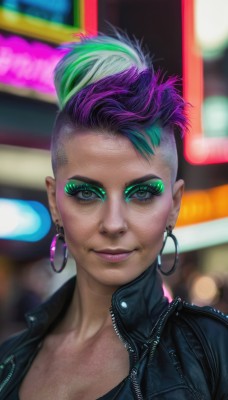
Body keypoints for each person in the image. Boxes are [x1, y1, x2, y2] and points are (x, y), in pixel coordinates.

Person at [0, 32, 227, 400]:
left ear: (174, 204)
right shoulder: (9, 360)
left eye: (142, 194)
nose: (113, 224)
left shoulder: (214, 353)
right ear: (55, 202)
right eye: (86, 193)